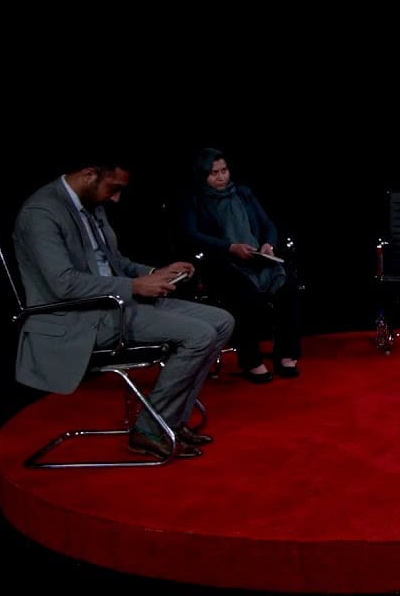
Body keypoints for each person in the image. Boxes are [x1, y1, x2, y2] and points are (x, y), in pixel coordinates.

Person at [13, 155, 235, 460]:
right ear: (89, 174)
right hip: (80, 318)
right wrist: (134, 286)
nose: (116, 198)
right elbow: (64, 284)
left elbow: (114, 263)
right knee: (199, 335)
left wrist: (155, 273)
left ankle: (169, 421)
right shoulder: (41, 213)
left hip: (118, 304)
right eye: (114, 188)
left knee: (221, 322)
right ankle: (150, 430)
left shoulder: (91, 204)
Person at [179, 147, 302, 384]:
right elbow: (190, 234)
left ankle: (287, 353)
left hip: (255, 257)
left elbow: (268, 224)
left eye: (224, 170)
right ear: (203, 175)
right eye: (214, 173)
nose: (221, 177)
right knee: (245, 296)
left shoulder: (243, 193)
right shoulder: (194, 199)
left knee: (288, 287)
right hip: (222, 262)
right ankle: (251, 360)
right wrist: (230, 247)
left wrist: (268, 244)